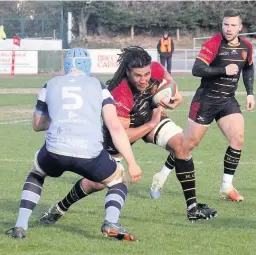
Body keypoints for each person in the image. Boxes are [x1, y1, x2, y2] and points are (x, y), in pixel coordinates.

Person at [39, 46, 217, 225]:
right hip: (122, 131)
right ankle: (61, 207)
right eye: (138, 76)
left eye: (146, 74)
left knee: (181, 144)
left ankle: (192, 209)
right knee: (97, 183)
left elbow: (167, 78)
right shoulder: (119, 92)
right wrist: (151, 124)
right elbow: (122, 134)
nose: (144, 80)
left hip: (148, 115)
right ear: (127, 72)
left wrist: (174, 93)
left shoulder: (153, 67)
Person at [6, 48, 142, 241]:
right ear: (88, 65)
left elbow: (37, 125)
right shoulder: (98, 86)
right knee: (118, 180)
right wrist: (131, 162)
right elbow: (115, 126)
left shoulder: (50, 84)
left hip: (55, 150)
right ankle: (111, 221)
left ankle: (20, 225)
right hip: (90, 153)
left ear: (67, 64)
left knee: (37, 172)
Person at [151, 9, 255, 202]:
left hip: (227, 101)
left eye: (233, 25)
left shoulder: (246, 46)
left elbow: (248, 67)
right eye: (226, 24)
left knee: (238, 138)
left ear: (240, 27)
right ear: (222, 25)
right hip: (206, 100)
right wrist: (223, 69)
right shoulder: (214, 43)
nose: (229, 28)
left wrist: (250, 93)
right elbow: (197, 69)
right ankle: (161, 176)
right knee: (188, 144)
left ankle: (226, 186)